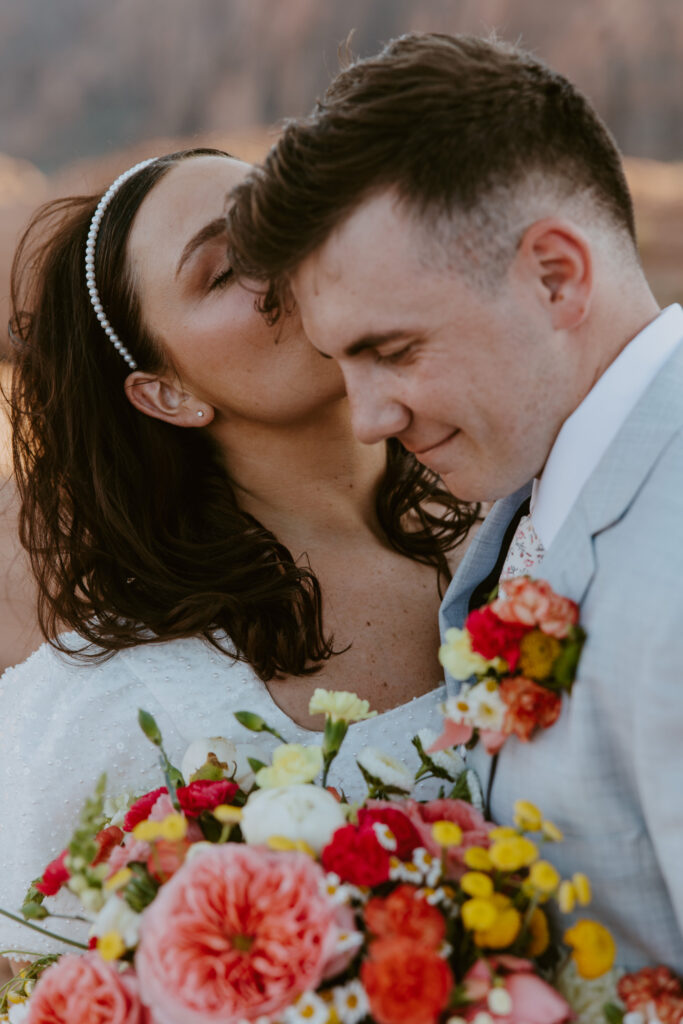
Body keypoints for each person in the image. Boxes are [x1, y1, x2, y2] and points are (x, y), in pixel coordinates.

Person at [224, 35, 683, 969]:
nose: (365, 418)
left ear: (555, 274)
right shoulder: (537, 495)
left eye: (391, 351)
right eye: (340, 363)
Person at [0, 147, 477, 960]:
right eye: (223, 271)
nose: (283, 260)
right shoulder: (104, 713)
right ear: (168, 393)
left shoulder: (531, 521)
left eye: (283, 217)